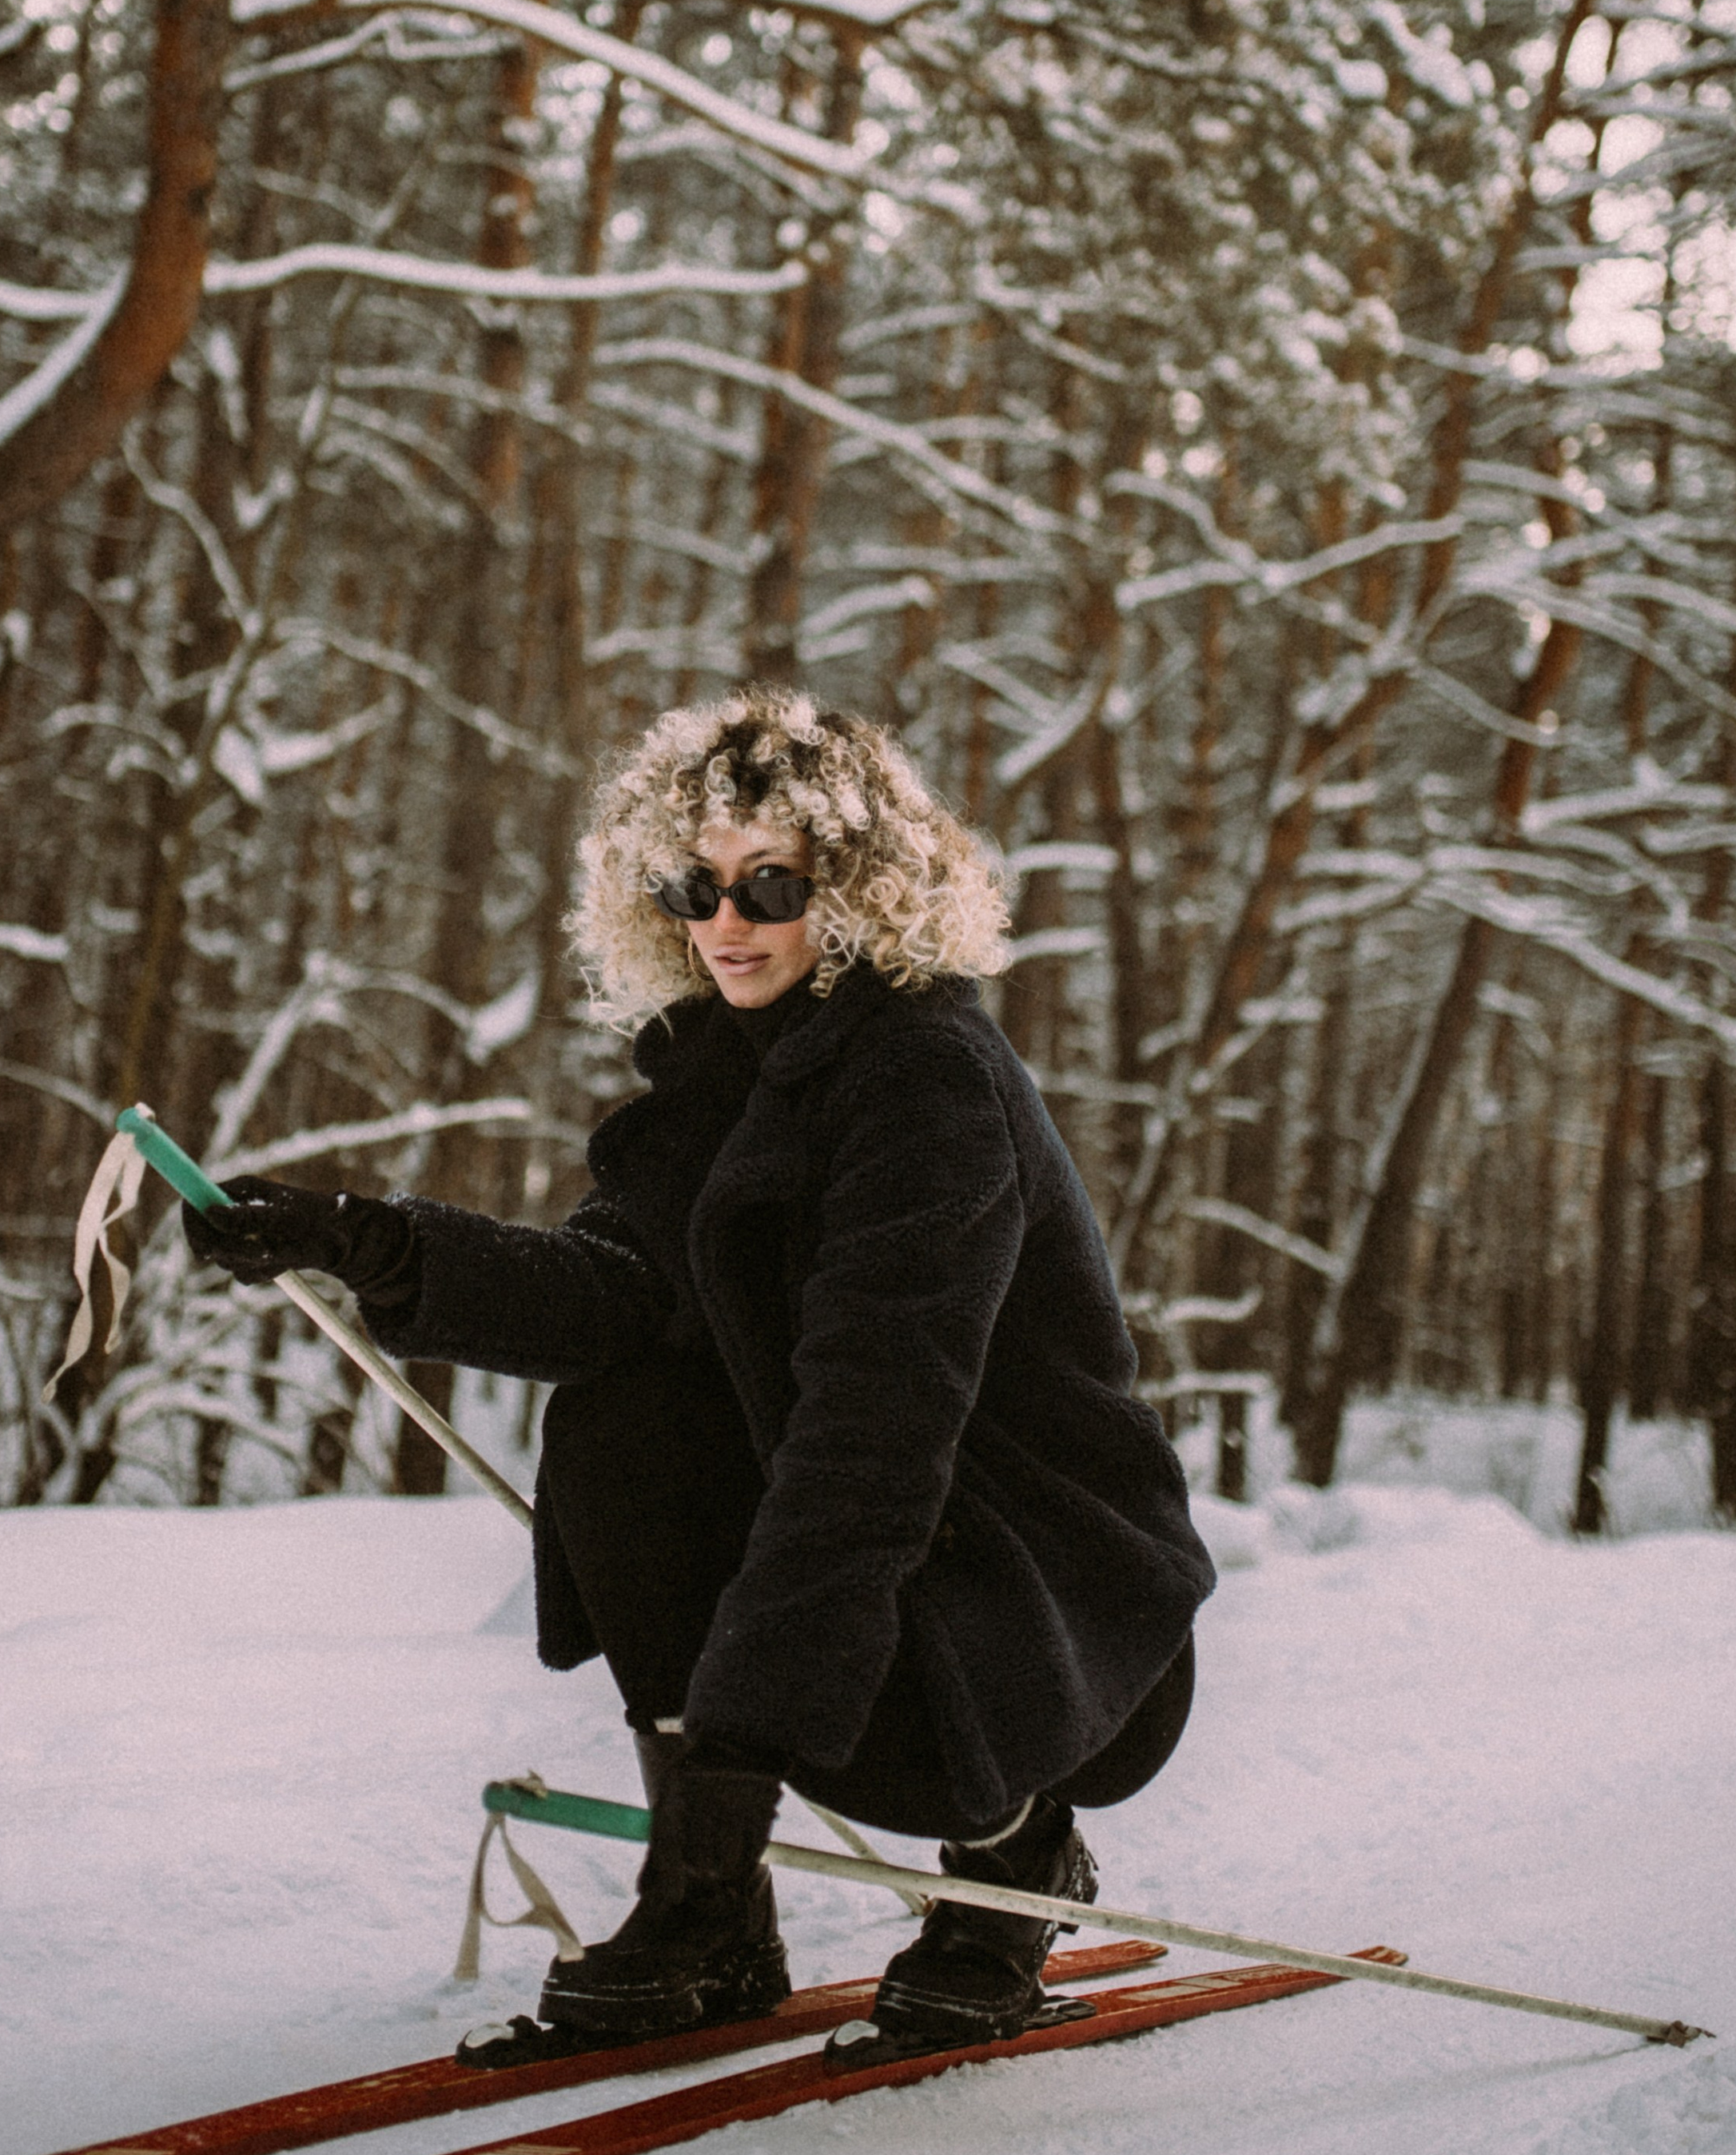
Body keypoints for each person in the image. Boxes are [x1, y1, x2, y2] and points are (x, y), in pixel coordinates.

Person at [186, 690, 1214, 2067]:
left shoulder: (927, 1083)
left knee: (841, 1508)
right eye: (693, 886)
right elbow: (610, 1296)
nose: (726, 924)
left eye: (772, 885)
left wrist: (735, 1765)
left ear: (855, 888)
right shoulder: (727, 1073)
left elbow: (873, 1434)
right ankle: (717, 1915)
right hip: (882, 1547)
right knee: (621, 1410)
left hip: (1039, 1590)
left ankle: (1013, 1863)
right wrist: (358, 1241)